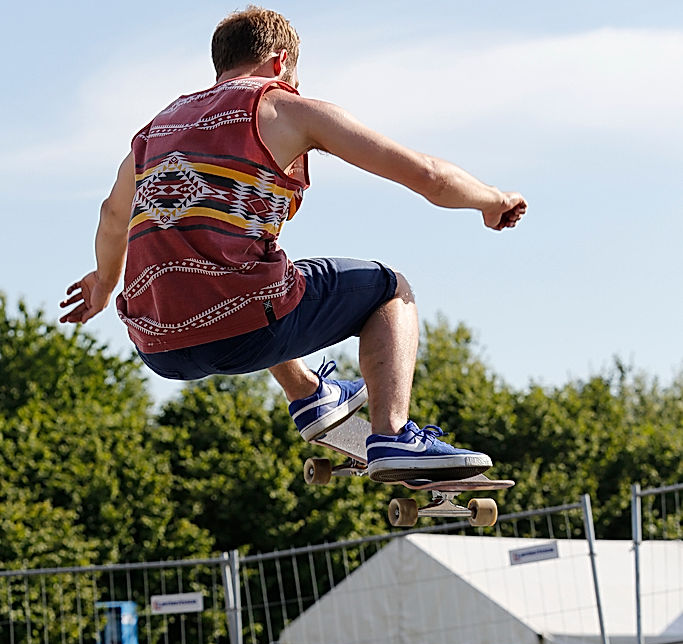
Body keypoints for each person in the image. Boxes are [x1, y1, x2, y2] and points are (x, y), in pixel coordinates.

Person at [60, 6, 527, 482]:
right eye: (295, 78)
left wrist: (103, 283)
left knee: (253, 271)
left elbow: (112, 215)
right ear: (280, 63)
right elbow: (427, 175)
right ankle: (394, 435)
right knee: (390, 290)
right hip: (245, 323)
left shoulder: (152, 132)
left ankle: (307, 394)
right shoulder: (283, 107)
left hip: (157, 345)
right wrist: (492, 199)